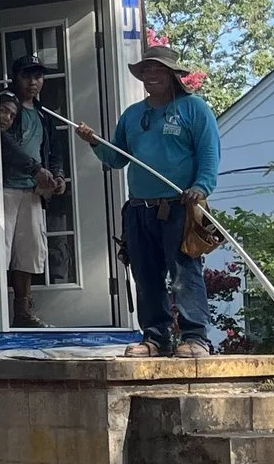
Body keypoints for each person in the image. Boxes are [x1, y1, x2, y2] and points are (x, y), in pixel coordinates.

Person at [75, 40, 221, 359]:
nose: (151, 74)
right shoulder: (133, 115)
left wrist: (202, 186)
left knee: (184, 271)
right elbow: (116, 159)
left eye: (158, 69)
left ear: (173, 75)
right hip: (140, 208)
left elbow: (209, 153)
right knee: (145, 275)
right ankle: (156, 337)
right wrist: (94, 143)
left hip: (180, 205)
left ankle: (196, 338)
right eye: (146, 70)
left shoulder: (195, 109)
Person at [0, 58, 63, 328]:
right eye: (27, 76)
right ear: (15, 77)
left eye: (39, 76)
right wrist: (34, 168)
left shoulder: (44, 114)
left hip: (33, 191)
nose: (33, 82)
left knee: (29, 252)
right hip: (5, 187)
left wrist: (57, 175)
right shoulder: (6, 105)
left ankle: (23, 312)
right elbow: (3, 142)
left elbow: (54, 150)